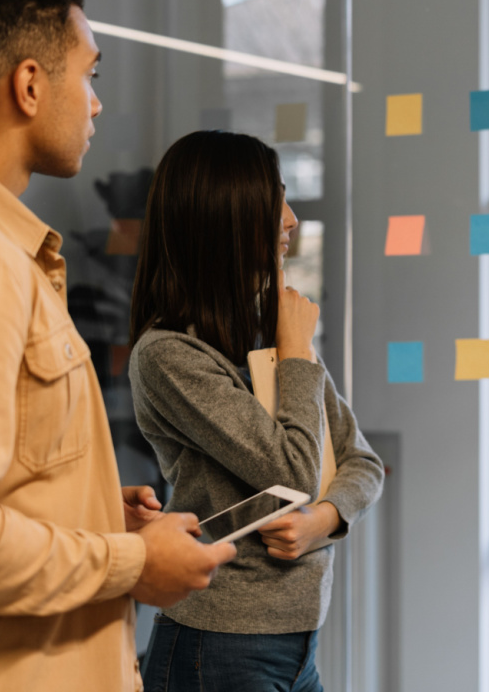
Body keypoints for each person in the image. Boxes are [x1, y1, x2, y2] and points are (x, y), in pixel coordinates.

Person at [0, 0, 237, 692]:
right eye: (89, 74)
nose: (97, 104)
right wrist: (131, 563)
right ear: (30, 85)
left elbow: (1, 487)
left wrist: (94, 515)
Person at [128, 130, 385, 692]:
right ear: (227, 217)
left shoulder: (273, 332)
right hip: (218, 648)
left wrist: (323, 520)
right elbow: (292, 471)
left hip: (299, 647)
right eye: (276, 203)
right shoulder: (169, 355)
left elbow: (363, 462)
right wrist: (295, 354)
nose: (291, 220)